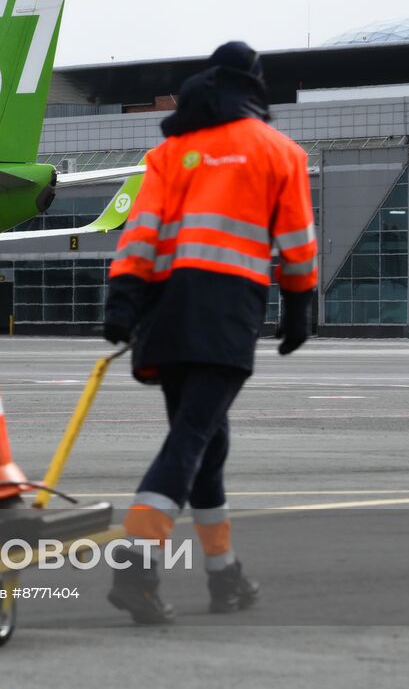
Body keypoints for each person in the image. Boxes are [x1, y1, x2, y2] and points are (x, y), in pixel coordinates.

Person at [102, 41, 317, 624]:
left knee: (207, 443)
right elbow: (296, 246)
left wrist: (123, 300)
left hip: (166, 312)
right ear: (255, 87)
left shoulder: (172, 152)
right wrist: (299, 311)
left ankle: (225, 577)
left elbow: (140, 232)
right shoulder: (280, 152)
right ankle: (137, 561)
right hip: (226, 312)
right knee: (193, 437)